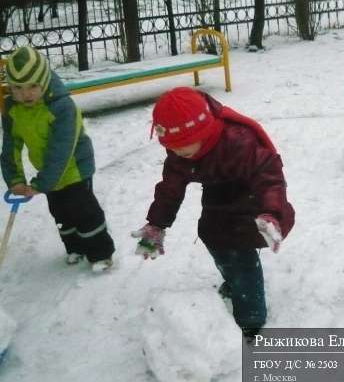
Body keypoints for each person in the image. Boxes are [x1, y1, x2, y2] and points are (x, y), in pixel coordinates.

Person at [133, 87, 295, 338]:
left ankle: (251, 316)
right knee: (213, 236)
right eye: (173, 149)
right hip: (218, 193)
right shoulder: (182, 148)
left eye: (184, 149)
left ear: (204, 132)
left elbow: (269, 178)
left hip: (252, 197)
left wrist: (270, 212)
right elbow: (170, 188)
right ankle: (233, 280)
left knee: (239, 254)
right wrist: (157, 223)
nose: (178, 154)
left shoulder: (238, 141)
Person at [0, 46, 115, 272]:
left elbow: (61, 149)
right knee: (60, 212)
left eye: (33, 86)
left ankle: (101, 253)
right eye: (18, 88)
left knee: (83, 210)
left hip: (76, 168)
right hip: (48, 172)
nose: (26, 94)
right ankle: (75, 247)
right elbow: (10, 146)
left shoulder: (61, 106)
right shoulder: (14, 109)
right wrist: (15, 179)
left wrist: (41, 183)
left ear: (44, 81)